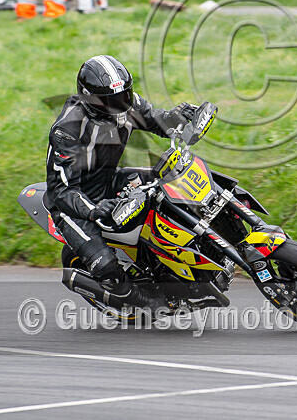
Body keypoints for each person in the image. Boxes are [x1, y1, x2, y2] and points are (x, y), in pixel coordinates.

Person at [45, 55, 197, 310]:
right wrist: (93, 210)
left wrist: (178, 117)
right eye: (111, 101)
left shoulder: (129, 105)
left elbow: (158, 121)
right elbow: (62, 190)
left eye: (124, 96)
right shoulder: (68, 129)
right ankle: (137, 300)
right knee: (105, 265)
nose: (121, 105)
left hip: (109, 180)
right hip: (73, 204)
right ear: (89, 98)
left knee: (174, 180)